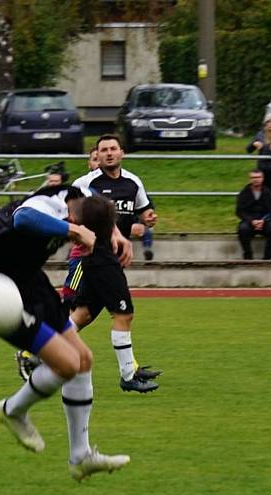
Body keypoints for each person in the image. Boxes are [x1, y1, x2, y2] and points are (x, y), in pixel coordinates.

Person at [0, 185, 131, 481]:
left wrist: (115, 232)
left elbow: (97, 208)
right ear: (71, 205)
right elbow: (24, 217)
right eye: (79, 225)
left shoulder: (82, 201)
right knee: (66, 364)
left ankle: (81, 457)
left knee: (84, 359)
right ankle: (12, 410)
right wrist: (75, 232)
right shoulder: (51, 203)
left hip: (28, 280)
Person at [69, 134, 161, 393]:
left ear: (122, 153)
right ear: (96, 155)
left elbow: (144, 211)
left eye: (113, 149)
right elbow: (71, 216)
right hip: (97, 258)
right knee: (124, 313)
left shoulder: (133, 182)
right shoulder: (85, 185)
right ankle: (128, 374)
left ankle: (37, 353)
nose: (108, 153)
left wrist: (148, 218)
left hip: (113, 259)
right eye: (103, 150)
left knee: (83, 315)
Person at [236, 169, 271, 260]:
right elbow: (239, 211)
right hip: (249, 221)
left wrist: (263, 220)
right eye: (253, 177)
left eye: (258, 177)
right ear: (250, 179)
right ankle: (248, 255)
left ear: (262, 178)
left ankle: (268, 257)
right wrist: (252, 221)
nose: (256, 179)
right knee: (242, 229)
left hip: (265, 221)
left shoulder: (267, 192)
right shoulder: (244, 193)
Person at [246, 113, 271, 192]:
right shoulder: (260, 134)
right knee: (263, 194)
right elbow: (248, 150)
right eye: (268, 121)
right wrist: (254, 144)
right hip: (262, 171)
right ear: (265, 123)